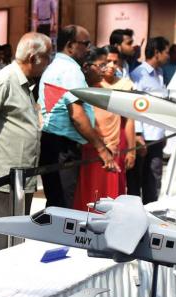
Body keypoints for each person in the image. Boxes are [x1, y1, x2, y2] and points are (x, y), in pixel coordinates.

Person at [0, 32, 52, 255]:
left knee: (17, 240)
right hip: (4, 178)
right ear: (34, 57)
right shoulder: (4, 80)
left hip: (22, 176)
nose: (48, 63)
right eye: (47, 57)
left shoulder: (25, 83)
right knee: (1, 240)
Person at [38, 25, 116, 208]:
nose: (88, 48)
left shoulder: (56, 66)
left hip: (52, 143)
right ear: (71, 46)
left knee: (56, 203)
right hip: (63, 147)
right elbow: (78, 115)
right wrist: (101, 149)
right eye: (85, 43)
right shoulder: (71, 70)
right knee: (63, 207)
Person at [73, 45, 135, 210]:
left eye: (113, 62)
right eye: (103, 63)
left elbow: (128, 119)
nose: (108, 67)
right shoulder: (85, 91)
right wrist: (101, 148)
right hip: (93, 153)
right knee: (91, 203)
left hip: (111, 151)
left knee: (110, 203)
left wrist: (131, 149)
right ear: (87, 67)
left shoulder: (111, 91)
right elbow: (80, 120)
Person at [130, 36, 169, 204]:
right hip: (144, 137)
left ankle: (151, 211)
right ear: (156, 52)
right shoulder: (139, 75)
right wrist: (138, 134)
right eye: (166, 52)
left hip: (157, 135)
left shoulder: (159, 75)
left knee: (154, 178)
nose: (168, 56)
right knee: (137, 178)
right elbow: (132, 104)